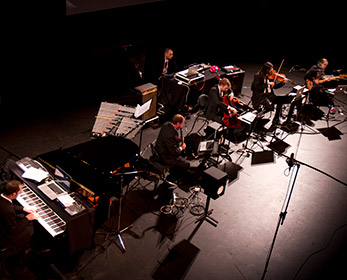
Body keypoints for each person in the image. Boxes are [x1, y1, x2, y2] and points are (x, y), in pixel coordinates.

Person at [0, 180, 39, 249]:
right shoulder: (8, 211)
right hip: (5, 236)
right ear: (13, 194)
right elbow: (13, 230)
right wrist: (27, 218)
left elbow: (8, 205)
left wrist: (23, 208)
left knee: (21, 216)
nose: (20, 192)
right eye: (19, 192)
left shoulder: (2, 197)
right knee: (30, 228)